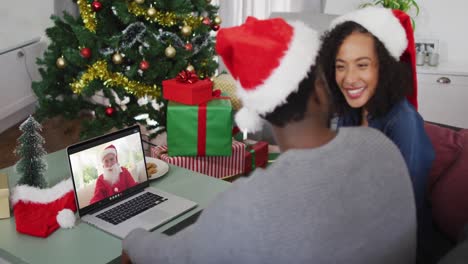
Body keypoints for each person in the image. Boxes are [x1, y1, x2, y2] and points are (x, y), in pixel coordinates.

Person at [121, 16, 416, 263]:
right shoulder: (381, 146)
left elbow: (171, 258)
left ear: (262, 112)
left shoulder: (247, 205)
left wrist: (132, 239)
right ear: (319, 91)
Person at [316, 7, 435, 262]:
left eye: (362, 65)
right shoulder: (350, 113)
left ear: (385, 67)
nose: (349, 78)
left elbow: (403, 212)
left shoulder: (404, 122)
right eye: (341, 66)